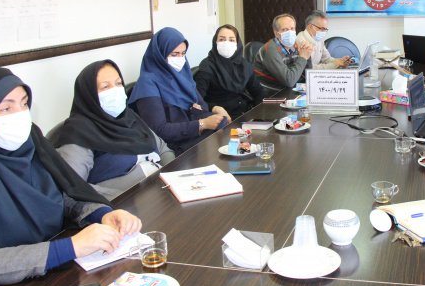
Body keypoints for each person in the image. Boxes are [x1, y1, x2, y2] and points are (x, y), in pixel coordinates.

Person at [0, 68, 141, 286]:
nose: (20, 116)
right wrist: (68, 248)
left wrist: (102, 214)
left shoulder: (30, 143)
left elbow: (64, 193)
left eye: (23, 104)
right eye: (6, 109)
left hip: (49, 280)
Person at [50, 60, 175, 201]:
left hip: (160, 192)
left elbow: (163, 149)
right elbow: (75, 188)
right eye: (105, 87)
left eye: (118, 83)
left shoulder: (129, 116)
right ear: (89, 94)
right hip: (122, 205)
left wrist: (173, 175)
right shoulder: (79, 132)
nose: (115, 90)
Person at [129, 27, 229, 155]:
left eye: (183, 54)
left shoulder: (182, 75)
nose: (180, 59)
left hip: (193, 136)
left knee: (226, 130)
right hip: (175, 145)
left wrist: (206, 113)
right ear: (159, 54)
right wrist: (201, 124)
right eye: (174, 54)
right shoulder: (147, 84)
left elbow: (202, 106)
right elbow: (160, 130)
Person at [195, 25, 265, 121]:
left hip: (243, 114)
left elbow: (259, 93)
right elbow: (197, 101)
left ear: (237, 43)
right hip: (219, 118)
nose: (226, 43)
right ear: (215, 42)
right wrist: (214, 108)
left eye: (231, 40)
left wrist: (258, 116)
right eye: (222, 40)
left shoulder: (243, 65)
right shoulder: (207, 65)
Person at [253, 13, 315, 96]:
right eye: (285, 29)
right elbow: (289, 81)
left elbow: (307, 76)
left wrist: (307, 54)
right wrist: (302, 58)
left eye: (292, 28)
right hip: (271, 95)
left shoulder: (295, 46)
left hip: (289, 91)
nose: (290, 32)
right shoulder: (270, 50)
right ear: (276, 33)